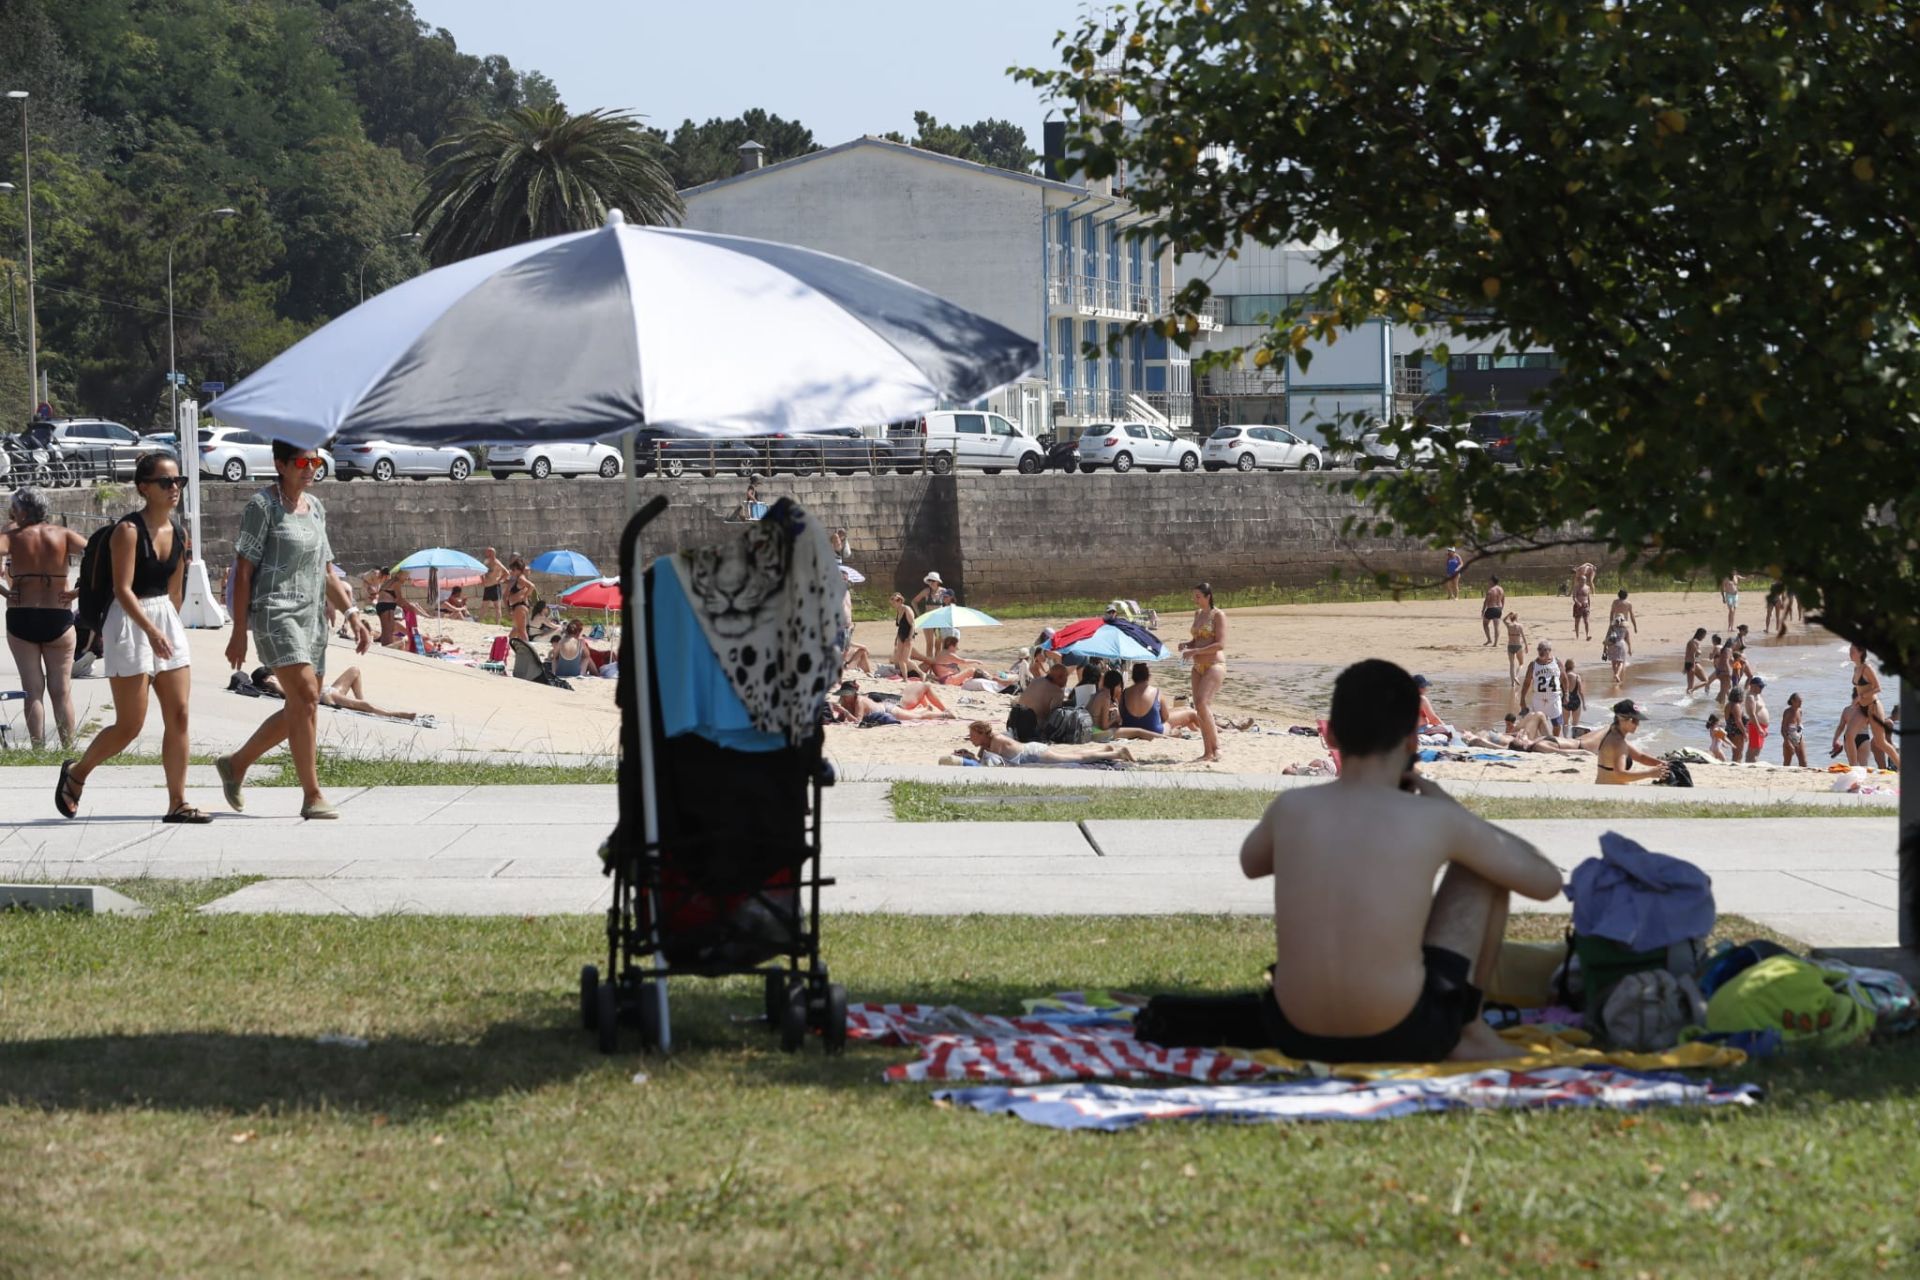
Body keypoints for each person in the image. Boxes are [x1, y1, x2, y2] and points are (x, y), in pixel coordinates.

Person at [1234, 659, 1561, 1063]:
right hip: (1404, 1033)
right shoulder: (1434, 818)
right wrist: (1455, 812)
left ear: (1331, 734)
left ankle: (1461, 1026)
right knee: (1482, 870)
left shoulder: (1292, 808)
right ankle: (1470, 1029)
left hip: (1293, 1031)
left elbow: (1252, 863)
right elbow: (1546, 883)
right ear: (1412, 742)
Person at [217, 441, 374, 822]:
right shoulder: (262, 507)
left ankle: (236, 764)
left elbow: (326, 570)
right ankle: (312, 794)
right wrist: (239, 629)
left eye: (316, 461)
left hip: (311, 617)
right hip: (274, 612)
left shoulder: (315, 508)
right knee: (304, 695)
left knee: (303, 705)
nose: (311, 468)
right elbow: (244, 571)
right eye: (302, 461)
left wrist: (353, 613)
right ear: (280, 464)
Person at [56, 454, 205, 822]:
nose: (174, 489)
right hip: (128, 623)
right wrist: (151, 631)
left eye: (178, 482)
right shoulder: (128, 531)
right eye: (165, 482)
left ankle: (177, 802)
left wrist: (170, 629)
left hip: (164, 622)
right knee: (130, 725)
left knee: (180, 715)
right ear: (144, 487)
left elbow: (175, 591)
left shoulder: (180, 533)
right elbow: (122, 590)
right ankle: (77, 773)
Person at [0, 486, 86, 749]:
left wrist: (4, 591)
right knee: (61, 692)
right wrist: (77, 592)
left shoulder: (11, 535)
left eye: (13, 507)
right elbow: (103, 558)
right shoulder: (63, 534)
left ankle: (38, 750)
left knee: (32, 689)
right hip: (57, 615)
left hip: (21, 614)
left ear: (23, 510)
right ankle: (68, 748)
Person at [254, 665, 430, 724]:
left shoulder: (282, 677)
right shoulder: (275, 682)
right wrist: (273, 684)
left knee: (354, 670)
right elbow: (290, 696)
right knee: (364, 706)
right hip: (325, 696)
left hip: (327, 689)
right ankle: (393, 714)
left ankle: (361, 702)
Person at [1180, 581, 1227, 763]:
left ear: (1208, 597)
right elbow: (1197, 640)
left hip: (1214, 664)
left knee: (1202, 703)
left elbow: (1220, 644)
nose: (1196, 600)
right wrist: (1187, 645)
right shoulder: (1198, 614)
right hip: (1197, 666)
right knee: (1199, 708)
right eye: (1194, 597)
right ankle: (1207, 751)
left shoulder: (1218, 615)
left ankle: (1217, 748)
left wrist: (1196, 651)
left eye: (1198, 597)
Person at [965, 719, 1135, 765]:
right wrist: (970, 756)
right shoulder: (987, 744)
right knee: (1074, 756)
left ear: (981, 734)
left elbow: (993, 766)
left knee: (1076, 759)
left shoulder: (996, 741)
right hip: (1031, 751)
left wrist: (971, 759)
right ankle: (1106, 750)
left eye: (972, 735)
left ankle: (1117, 753)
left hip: (1034, 753)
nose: (970, 738)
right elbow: (982, 760)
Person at [1594, 699, 1670, 784]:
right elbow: (1620, 774)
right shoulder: (1618, 742)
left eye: (1638, 720)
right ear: (1621, 719)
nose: (1637, 724)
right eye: (1634, 720)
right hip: (1611, 791)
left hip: (1604, 786)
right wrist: (1649, 773)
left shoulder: (1613, 733)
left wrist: (1662, 764)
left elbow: (1641, 757)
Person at [833, 680, 954, 725]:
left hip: (888, 709)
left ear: (853, 693)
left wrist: (844, 712)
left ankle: (945, 714)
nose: (845, 697)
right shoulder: (844, 700)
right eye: (843, 694)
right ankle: (926, 709)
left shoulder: (859, 701)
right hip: (886, 707)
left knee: (918, 717)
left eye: (846, 694)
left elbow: (857, 721)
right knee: (914, 714)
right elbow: (841, 719)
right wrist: (838, 714)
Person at [1009, 662, 1071, 741]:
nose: (1067, 680)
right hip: (1032, 729)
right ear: (1060, 677)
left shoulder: (1036, 681)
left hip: (1014, 720)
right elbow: (1055, 716)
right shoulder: (1058, 692)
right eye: (1066, 677)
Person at [1523, 640, 1562, 734]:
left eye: (1543, 649)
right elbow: (1527, 682)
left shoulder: (1557, 662)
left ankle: (1554, 741)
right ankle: (1541, 740)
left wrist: (1567, 693)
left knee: (1557, 724)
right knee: (1536, 722)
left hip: (1554, 699)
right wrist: (1522, 699)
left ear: (1549, 650)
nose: (1540, 651)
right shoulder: (1533, 664)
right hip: (1538, 699)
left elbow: (1564, 678)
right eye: (1539, 649)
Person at [888, 592, 916, 677]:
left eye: (895, 600)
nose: (893, 602)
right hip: (901, 635)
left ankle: (921, 673)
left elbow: (913, 624)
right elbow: (900, 626)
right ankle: (905, 678)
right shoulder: (898, 610)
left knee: (905, 659)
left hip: (908, 636)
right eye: (892, 600)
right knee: (900, 658)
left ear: (900, 601)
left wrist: (910, 638)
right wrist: (896, 638)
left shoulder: (906, 609)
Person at [478, 547, 508, 623]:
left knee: (497, 606)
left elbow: (506, 572)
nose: (486, 553)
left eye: (488, 552)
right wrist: (482, 580)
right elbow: (482, 571)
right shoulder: (486, 561)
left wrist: (500, 580)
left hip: (495, 586)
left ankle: (497, 623)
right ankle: (479, 621)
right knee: (484, 606)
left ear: (492, 553)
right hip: (487, 586)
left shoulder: (497, 563)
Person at [1744, 677, 1771, 761]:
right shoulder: (1750, 697)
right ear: (1753, 686)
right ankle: (1750, 765)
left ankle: (1750, 764)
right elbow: (1752, 714)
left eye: (1762, 686)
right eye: (1760, 686)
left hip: (1761, 726)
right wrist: (1759, 728)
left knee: (1757, 749)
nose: (1762, 688)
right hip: (1756, 726)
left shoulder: (1757, 695)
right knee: (1753, 749)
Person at [505, 560, 533, 643]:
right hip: (517, 606)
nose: (512, 571)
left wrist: (525, 596)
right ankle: (507, 644)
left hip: (520, 606)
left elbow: (531, 586)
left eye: (513, 570)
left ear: (519, 570)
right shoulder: (518, 578)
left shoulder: (521, 578)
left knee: (521, 630)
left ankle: (528, 649)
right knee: (516, 629)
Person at [1723, 685, 1750, 763]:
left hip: (1730, 730)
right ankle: (1735, 767)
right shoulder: (1736, 706)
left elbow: (1727, 719)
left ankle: (1734, 764)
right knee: (1738, 753)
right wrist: (1745, 733)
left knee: (1736, 752)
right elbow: (1738, 721)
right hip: (1737, 732)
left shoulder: (1728, 705)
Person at [1605, 589, 1636, 654]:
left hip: (1615, 621)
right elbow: (1632, 616)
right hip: (1624, 622)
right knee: (1627, 636)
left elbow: (1612, 612)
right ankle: (1629, 649)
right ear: (1626, 595)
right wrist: (1635, 626)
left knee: (1610, 635)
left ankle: (1606, 648)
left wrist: (1610, 622)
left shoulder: (1615, 602)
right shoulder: (1628, 603)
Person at [1560, 658, 1586, 734]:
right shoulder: (1577, 677)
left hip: (1565, 700)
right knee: (1575, 724)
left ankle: (1565, 739)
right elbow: (1581, 691)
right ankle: (1574, 740)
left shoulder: (1562, 676)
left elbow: (1557, 688)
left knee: (1565, 723)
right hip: (1575, 701)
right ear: (1573, 666)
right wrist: (1584, 703)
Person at [1479, 576, 1505, 645]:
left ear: (1492, 581)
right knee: (1496, 626)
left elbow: (1486, 601)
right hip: (1498, 609)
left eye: (1490, 581)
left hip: (1491, 608)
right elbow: (1503, 600)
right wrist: (1501, 608)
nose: (1488, 582)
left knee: (1485, 624)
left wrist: (1483, 611)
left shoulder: (1490, 590)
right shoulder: (1501, 589)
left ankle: (1489, 639)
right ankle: (1496, 643)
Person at [1683, 627, 1709, 694]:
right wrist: (1693, 666)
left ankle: (1689, 696)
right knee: (1705, 681)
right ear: (1700, 634)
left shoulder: (1692, 641)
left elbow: (1687, 655)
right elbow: (1692, 655)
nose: (1704, 637)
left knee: (1690, 685)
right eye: (1704, 635)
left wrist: (1685, 666)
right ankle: (1691, 691)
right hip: (1693, 664)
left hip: (1689, 663)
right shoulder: (1694, 642)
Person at [1503, 611, 1526, 685]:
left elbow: (1503, 620)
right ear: (1516, 618)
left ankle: (1512, 683)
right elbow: (1523, 636)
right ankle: (1516, 676)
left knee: (1512, 665)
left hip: (1510, 646)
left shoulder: (1509, 625)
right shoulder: (1520, 626)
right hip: (1518, 645)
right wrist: (1526, 646)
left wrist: (1508, 614)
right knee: (1521, 663)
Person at [1570, 567, 1592, 641]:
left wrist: (1589, 606)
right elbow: (1574, 597)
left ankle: (1587, 635)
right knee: (1577, 622)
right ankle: (1577, 636)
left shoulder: (1588, 588)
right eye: (1582, 580)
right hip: (1578, 606)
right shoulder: (1576, 587)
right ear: (1579, 580)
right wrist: (1577, 602)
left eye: (1584, 580)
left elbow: (1588, 597)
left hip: (1585, 606)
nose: (1583, 581)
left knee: (1586, 621)